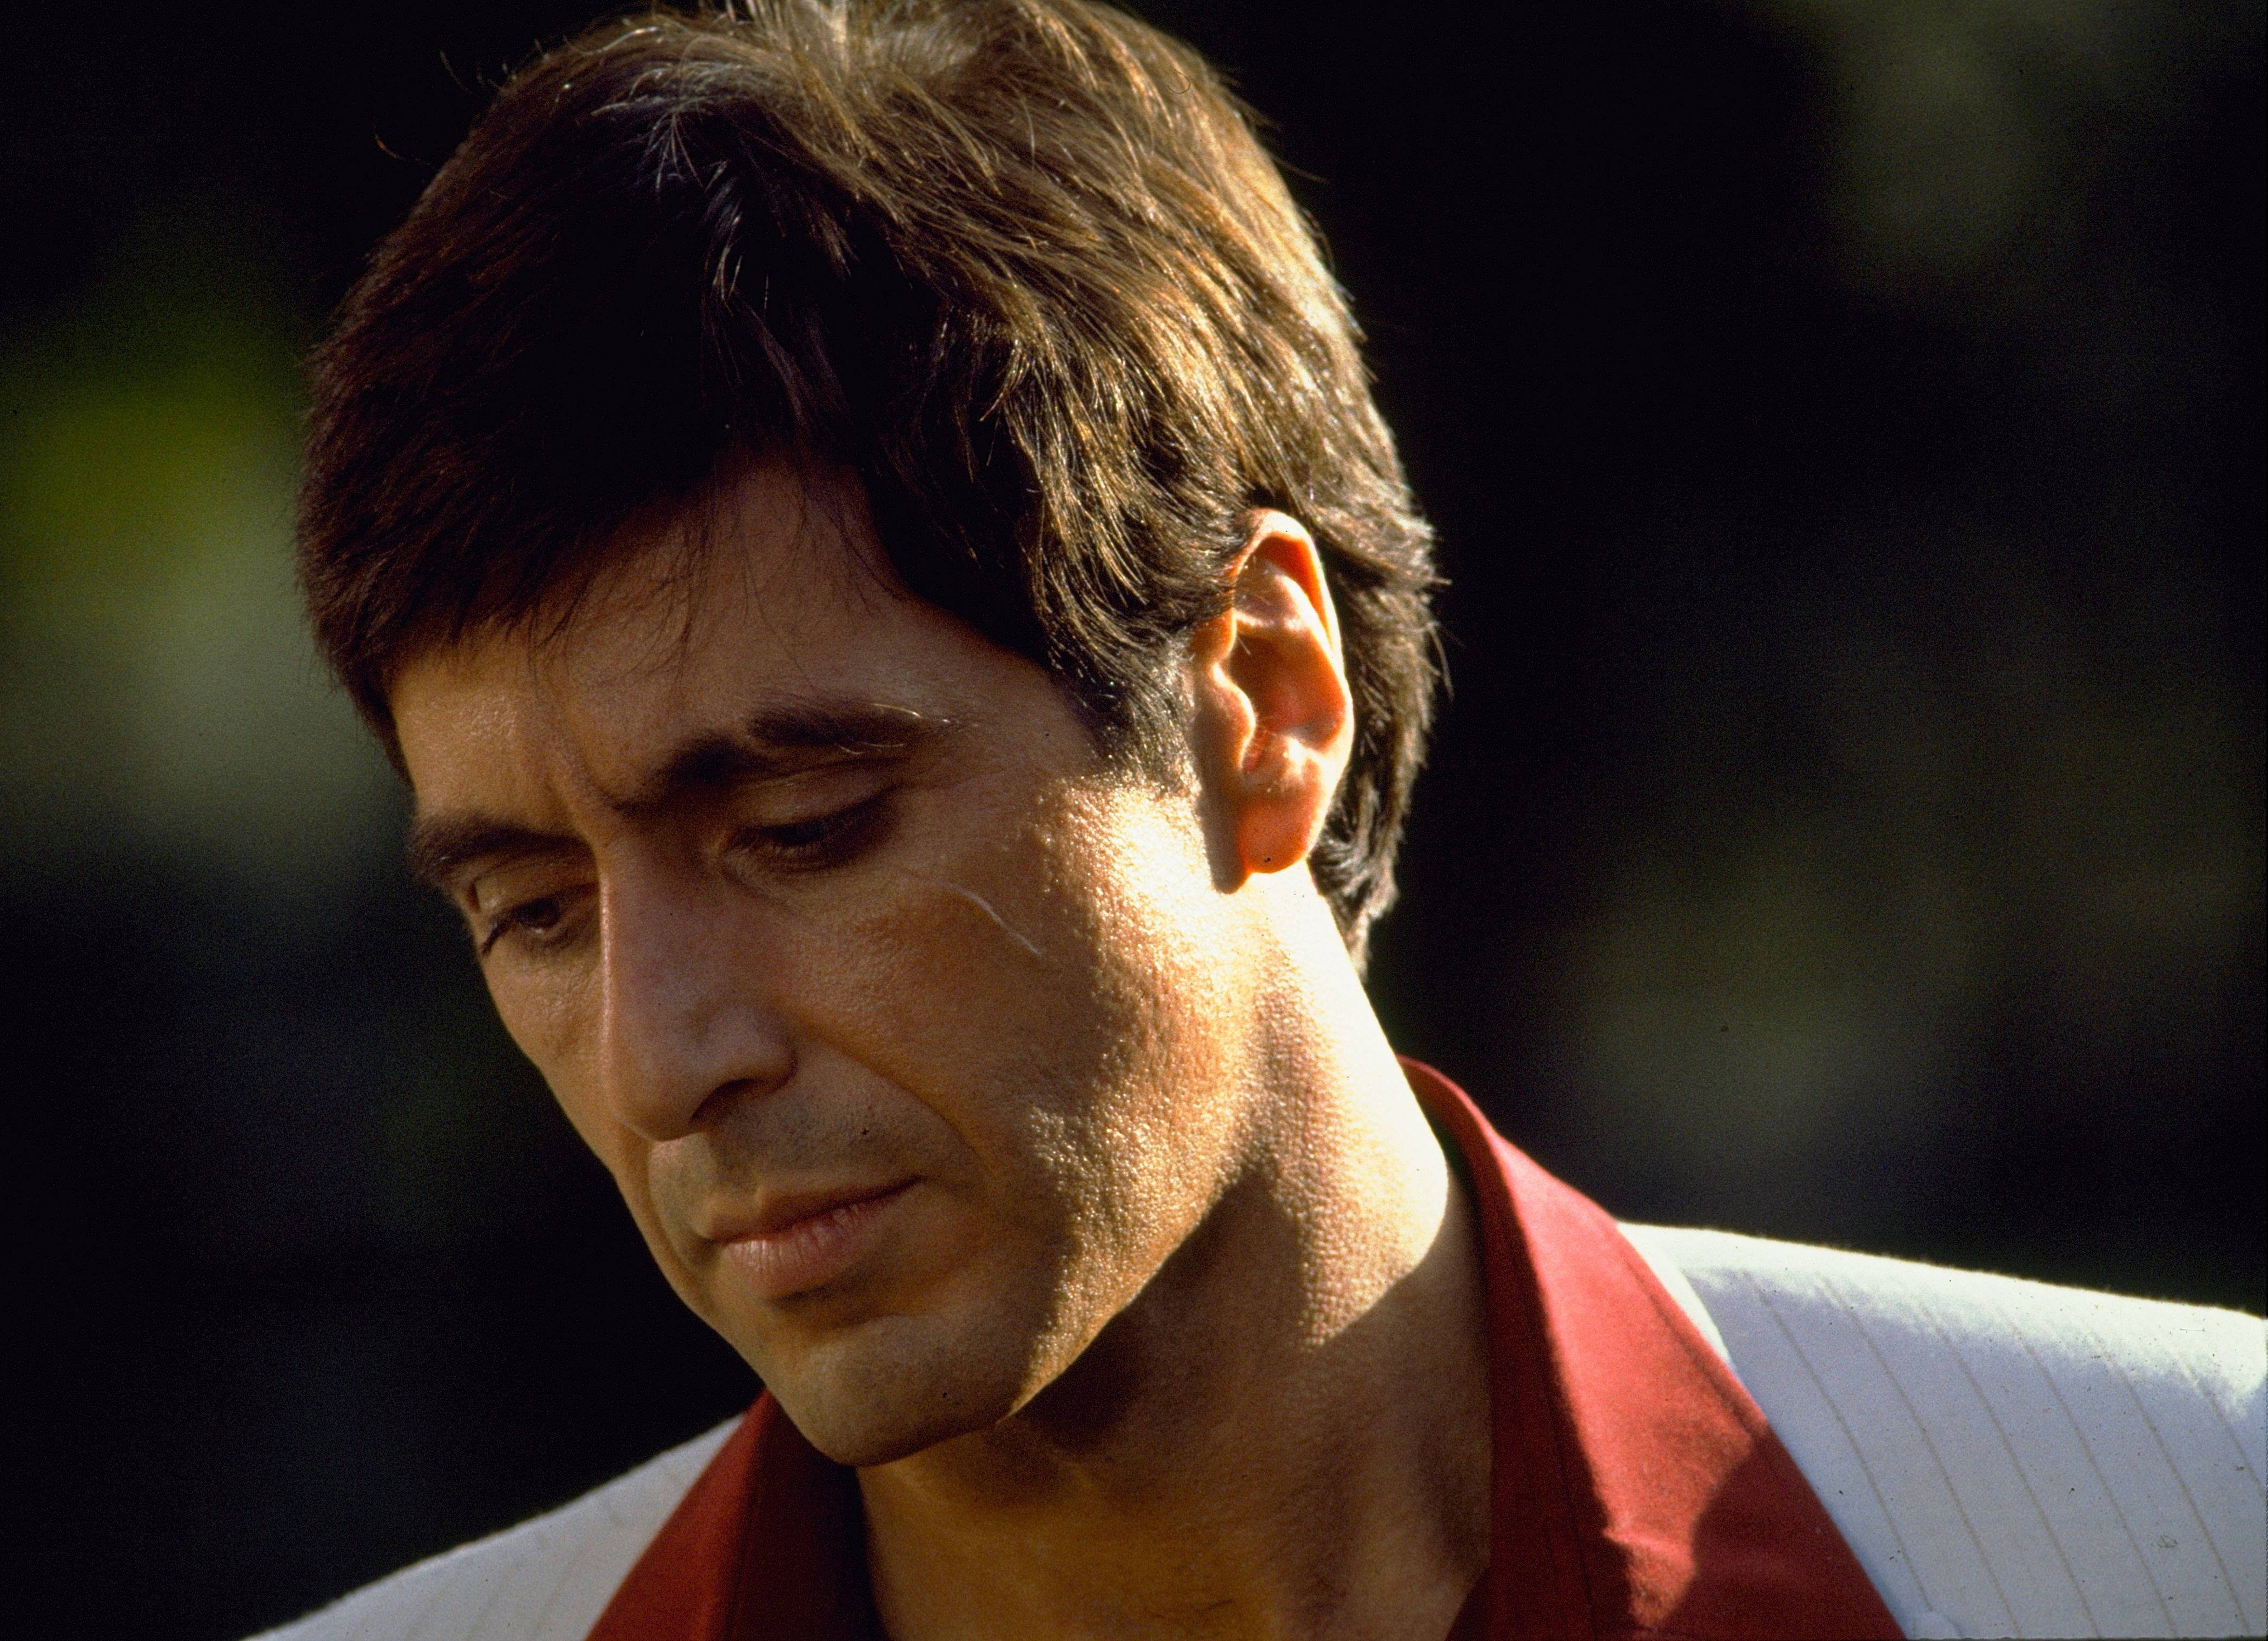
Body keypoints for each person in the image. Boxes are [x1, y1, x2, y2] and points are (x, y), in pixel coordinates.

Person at [262, 3, 2265, 1636]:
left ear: (1263, 706)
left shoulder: (2202, 1529)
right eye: (535, 912)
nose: (660, 1057)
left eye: (804, 827)